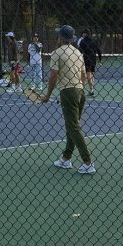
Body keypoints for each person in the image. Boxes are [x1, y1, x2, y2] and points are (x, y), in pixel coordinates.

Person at [41, 25, 95, 174]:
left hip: (68, 92)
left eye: (58, 36)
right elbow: (83, 75)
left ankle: (87, 162)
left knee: (73, 127)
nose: (57, 38)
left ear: (61, 38)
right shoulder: (78, 52)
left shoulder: (57, 53)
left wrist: (47, 95)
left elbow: (53, 76)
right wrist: (78, 87)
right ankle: (66, 158)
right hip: (80, 91)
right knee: (72, 126)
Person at [76, 30, 102, 96]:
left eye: (84, 33)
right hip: (93, 60)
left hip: (86, 60)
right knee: (92, 74)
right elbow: (98, 50)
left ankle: (91, 90)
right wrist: (100, 59)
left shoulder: (83, 41)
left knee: (88, 75)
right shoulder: (94, 40)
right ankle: (92, 89)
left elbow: (79, 51)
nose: (83, 35)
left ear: (86, 34)